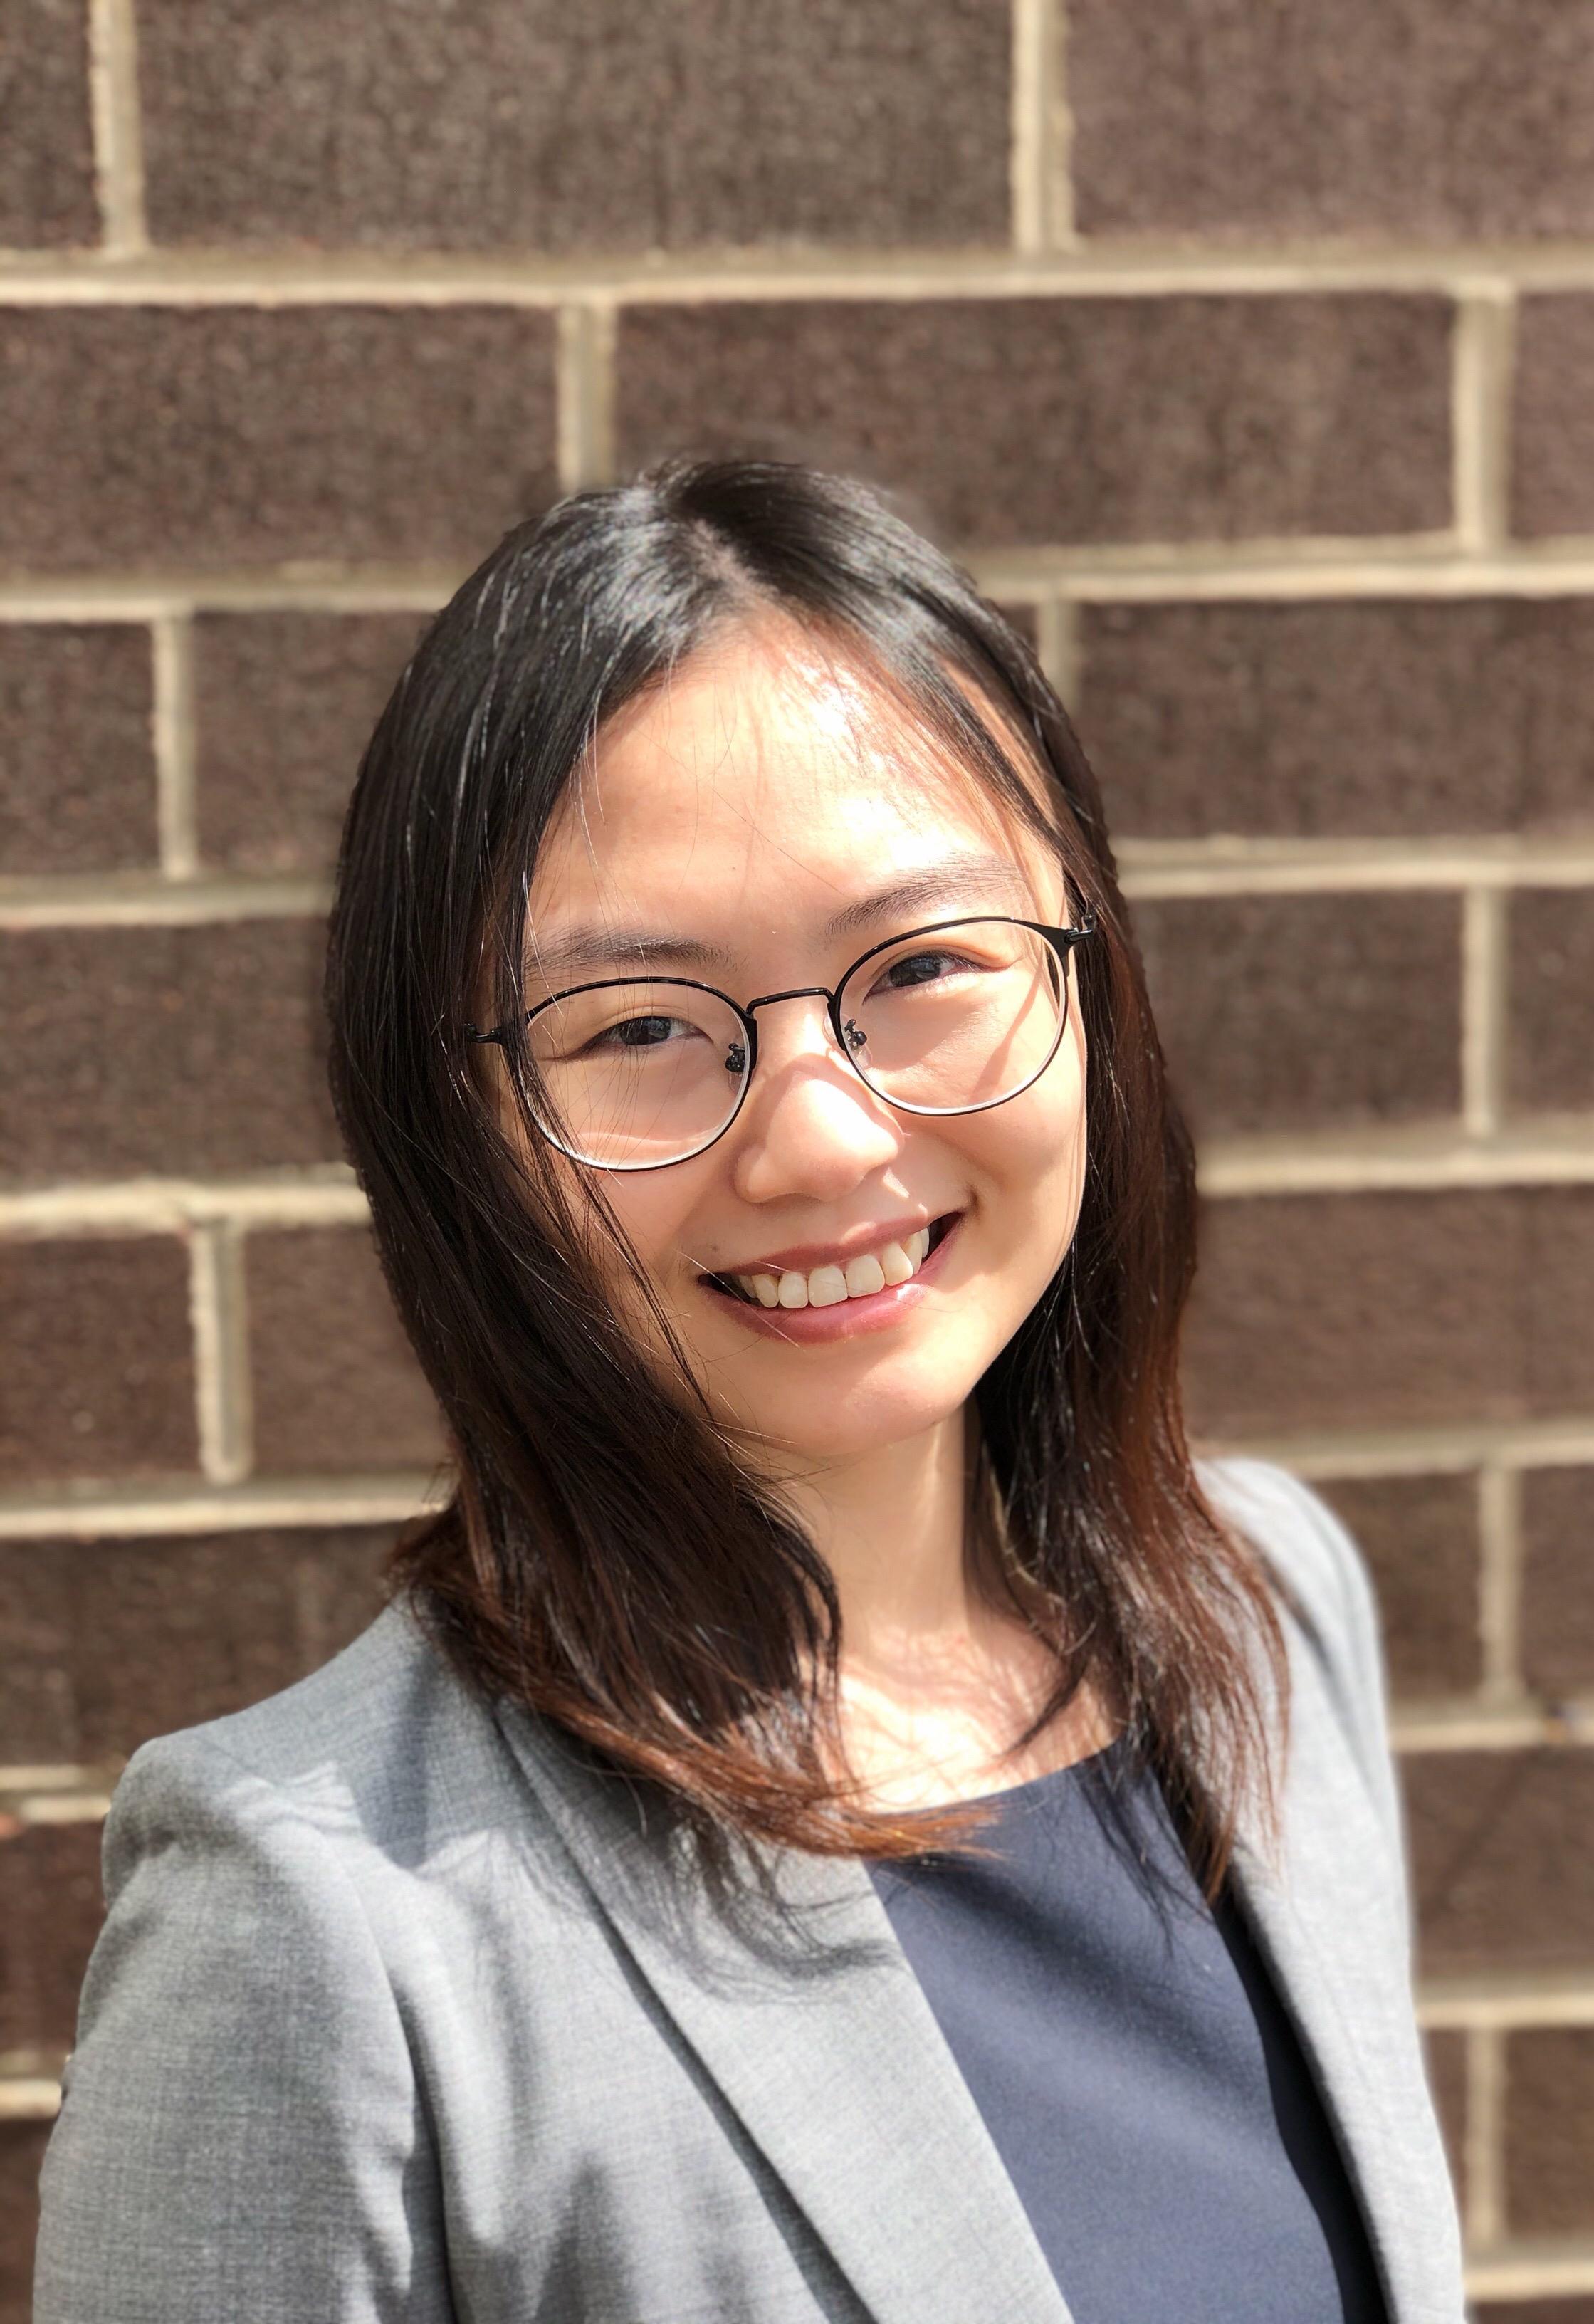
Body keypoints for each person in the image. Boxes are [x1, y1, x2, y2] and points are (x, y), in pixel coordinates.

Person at [33, 461, 1466, 2323]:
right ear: (454, 1127)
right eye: (637, 1026)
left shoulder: (1264, 1609)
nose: (820, 1135)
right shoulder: (321, 1923)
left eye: (923, 965)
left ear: (1087, 974)